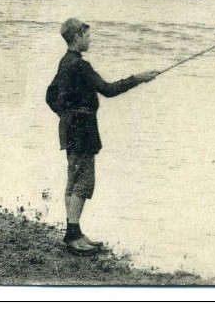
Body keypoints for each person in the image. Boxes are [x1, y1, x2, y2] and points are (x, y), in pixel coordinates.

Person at [49, 18, 158, 255]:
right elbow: (108, 90)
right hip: (83, 129)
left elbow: (50, 96)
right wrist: (138, 78)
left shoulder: (65, 62)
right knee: (83, 181)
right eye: (87, 35)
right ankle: (72, 235)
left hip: (71, 127)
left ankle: (74, 232)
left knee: (73, 179)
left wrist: (65, 114)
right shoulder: (79, 65)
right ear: (76, 37)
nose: (90, 39)